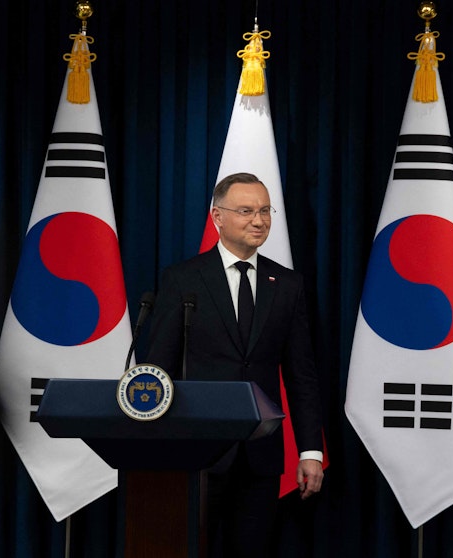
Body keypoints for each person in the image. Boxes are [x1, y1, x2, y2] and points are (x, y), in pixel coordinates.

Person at [145, 172, 324, 558]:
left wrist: (311, 451)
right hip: (196, 454)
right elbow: (158, 368)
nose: (258, 221)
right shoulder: (183, 279)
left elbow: (301, 374)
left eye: (264, 211)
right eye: (246, 211)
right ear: (218, 217)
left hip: (260, 456)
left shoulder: (287, 284)